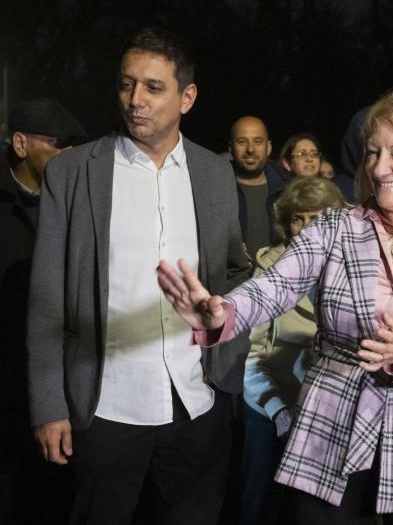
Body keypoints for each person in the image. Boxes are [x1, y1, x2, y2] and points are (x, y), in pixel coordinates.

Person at [158, 89, 393, 524]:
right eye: (373, 152)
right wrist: (223, 313)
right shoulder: (336, 227)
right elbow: (275, 286)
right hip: (330, 422)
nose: (380, 168)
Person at [26, 27, 249, 524]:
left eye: (153, 87)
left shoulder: (215, 173)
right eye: (127, 85)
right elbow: (45, 296)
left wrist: (227, 355)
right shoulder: (73, 173)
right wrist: (48, 404)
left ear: (187, 97)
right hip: (105, 403)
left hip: (198, 398)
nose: (135, 100)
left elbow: (236, 273)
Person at [241, 176, 345, 525]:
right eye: (298, 219)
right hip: (275, 403)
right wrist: (277, 409)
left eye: (316, 218)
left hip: (332, 407)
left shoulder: (353, 270)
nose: (305, 228)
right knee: (261, 504)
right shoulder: (270, 268)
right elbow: (254, 355)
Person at [0, 98, 86, 523]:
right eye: (57, 144)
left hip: (62, 386)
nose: (69, 154)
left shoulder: (80, 207)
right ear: (20, 143)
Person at [230, 115, 286, 259]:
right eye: (242, 142)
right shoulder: (215, 189)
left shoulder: (288, 190)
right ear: (231, 148)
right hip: (232, 279)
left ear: (269, 147)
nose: (250, 149)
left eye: (258, 142)